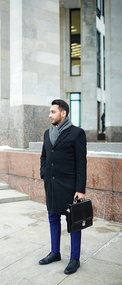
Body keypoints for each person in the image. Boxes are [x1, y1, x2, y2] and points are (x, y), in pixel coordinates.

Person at [39, 99, 87, 275]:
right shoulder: (47, 133)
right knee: (52, 218)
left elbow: (81, 164)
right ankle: (55, 252)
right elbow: (43, 156)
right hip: (51, 184)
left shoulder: (77, 133)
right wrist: (43, 173)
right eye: (50, 111)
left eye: (53, 112)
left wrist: (80, 189)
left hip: (69, 186)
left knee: (73, 223)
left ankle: (75, 259)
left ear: (63, 113)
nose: (49, 115)